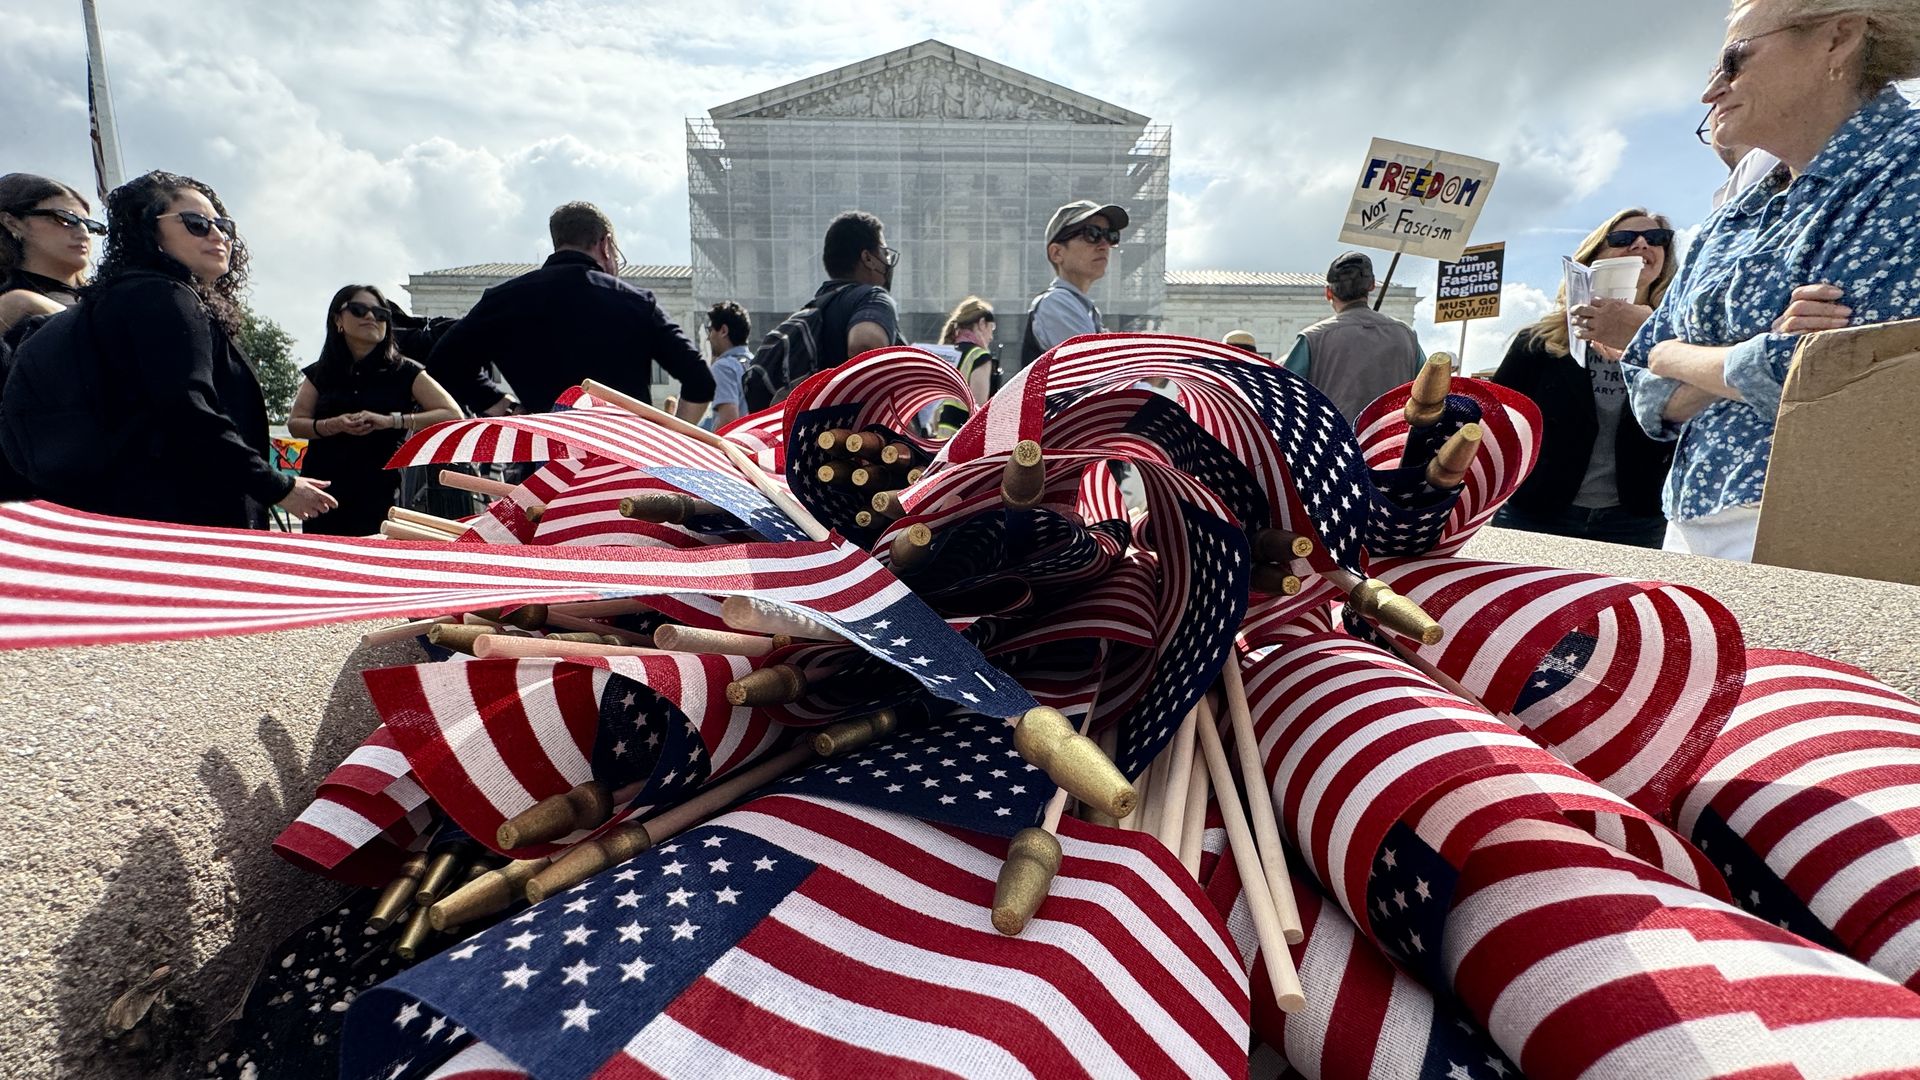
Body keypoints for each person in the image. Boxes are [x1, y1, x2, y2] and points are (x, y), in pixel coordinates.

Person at [1623, 0, 1920, 562]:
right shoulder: (1737, 212)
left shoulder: (1908, 166)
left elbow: (1844, 373)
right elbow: (1642, 383)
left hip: (1839, 524)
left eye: (1733, 60)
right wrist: (1747, 352)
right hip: (1689, 520)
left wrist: (1677, 356)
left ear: (1839, 39)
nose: (1711, 92)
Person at [27, 170, 335, 527]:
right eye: (196, 223)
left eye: (224, 226)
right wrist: (277, 486)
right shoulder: (163, 296)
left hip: (131, 511)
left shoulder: (124, 296)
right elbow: (187, 411)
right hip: (178, 517)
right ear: (149, 229)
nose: (218, 235)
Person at [1492, 209, 1680, 548]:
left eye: (1656, 239)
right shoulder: (1538, 342)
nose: (1641, 244)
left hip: (1636, 520)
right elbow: (1495, 420)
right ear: (1594, 257)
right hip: (1537, 513)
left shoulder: (1678, 343)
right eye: (1623, 239)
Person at [426, 201, 712, 420]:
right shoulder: (635, 302)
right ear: (606, 243)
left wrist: (502, 405)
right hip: (621, 459)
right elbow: (699, 380)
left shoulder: (503, 300)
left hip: (546, 455)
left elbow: (443, 362)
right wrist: (673, 443)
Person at [286, 285, 461, 535]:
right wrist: (332, 425)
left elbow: (451, 413)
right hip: (325, 492)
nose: (371, 317)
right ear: (338, 319)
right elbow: (296, 423)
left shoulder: (405, 371)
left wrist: (392, 421)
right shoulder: (320, 372)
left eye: (380, 314)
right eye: (359, 310)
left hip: (382, 489)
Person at [1283, 252, 1425, 422]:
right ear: (1372, 285)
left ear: (1328, 293)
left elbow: (1283, 394)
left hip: (1333, 443)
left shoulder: (1312, 338)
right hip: (1391, 444)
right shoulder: (1407, 335)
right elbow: (1427, 391)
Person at [1022, 200, 1128, 366]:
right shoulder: (1057, 303)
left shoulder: (1085, 309)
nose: (1104, 245)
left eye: (1111, 235)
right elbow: (1099, 377)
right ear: (1057, 253)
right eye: (1091, 234)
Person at [0, 174, 96, 336]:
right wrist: (16, 304)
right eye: (65, 218)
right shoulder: (9, 307)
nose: (84, 234)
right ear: (12, 223)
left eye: (91, 226)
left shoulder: (105, 296)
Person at [810, 211, 904, 369]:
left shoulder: (817, 306)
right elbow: (865, 345)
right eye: (885, 253)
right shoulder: (873, 298)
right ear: (868, 258)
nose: (888, 262)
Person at [930, 295, 996, 435]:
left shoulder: (946, 353)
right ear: (982, 323)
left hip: (937, 438)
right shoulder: (979, 356)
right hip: (961, 441)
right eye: (992, 327)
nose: (991, 336)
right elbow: (978, 409)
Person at [702, 301, 750, 430]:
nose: (708, 338)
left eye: (710, 330)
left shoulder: (723, 367)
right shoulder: (756, 362)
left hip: (736, 447)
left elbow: (728, 420)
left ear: (723, 331)